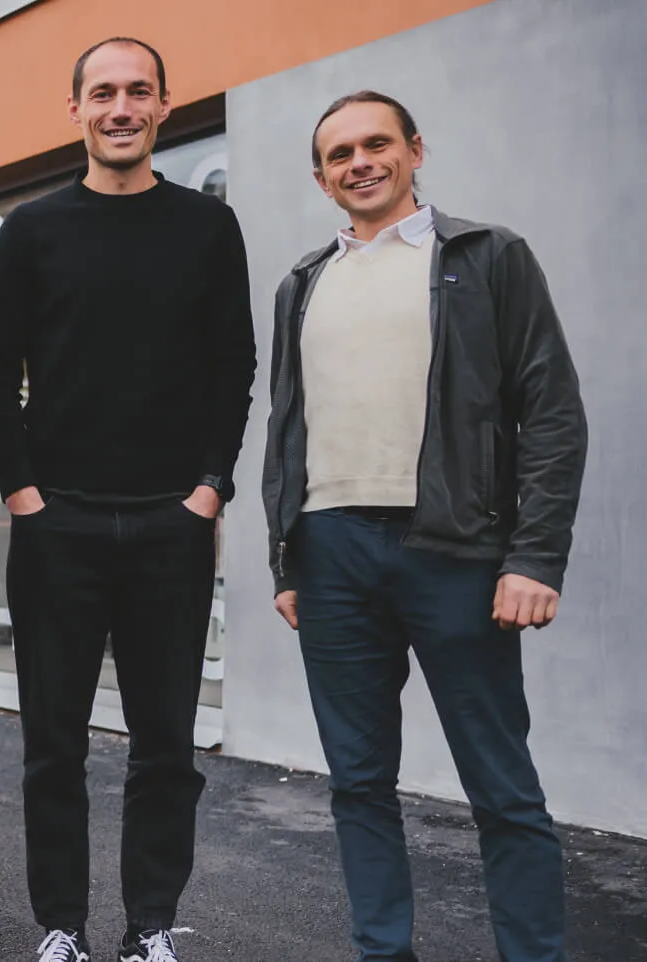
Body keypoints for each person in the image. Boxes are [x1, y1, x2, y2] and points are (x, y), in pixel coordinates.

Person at [261, 90, 587, 962]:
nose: (360, 163)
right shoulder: (304, 282)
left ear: (414, 150)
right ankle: (383, 951)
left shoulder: (487, 257)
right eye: (340, 155)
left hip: (456, 551)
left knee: (502, 787)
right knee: (358, 784)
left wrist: (535, 556)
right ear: (322, 178)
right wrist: (285, 560)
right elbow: (288, 425)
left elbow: (551, 412)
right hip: (330, 553)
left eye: (376, 144)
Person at [0, 37, 257, 962]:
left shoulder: (207, 227)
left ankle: (150, 928)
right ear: (77, 111)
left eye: (139, 91)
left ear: (165, 106)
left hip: (172, 524)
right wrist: (23, 495)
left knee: (165, 747)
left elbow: (234, 367)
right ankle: (61, 927)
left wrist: (210, 489)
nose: (121, 107)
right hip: (57, 524)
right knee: (53, 747)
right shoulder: (31, 230)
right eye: (103, 93)